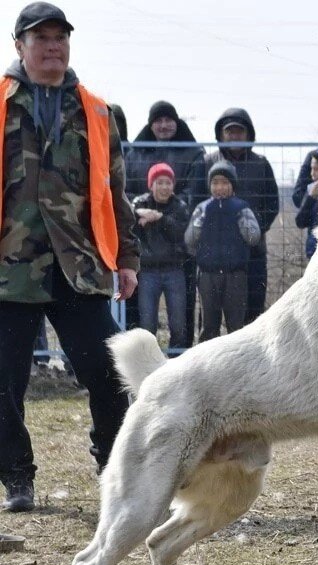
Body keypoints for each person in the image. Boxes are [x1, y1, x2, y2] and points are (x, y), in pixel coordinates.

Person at [0, 2, 139, 511]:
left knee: (109, 372)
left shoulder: (97, 110)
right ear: (20, 47)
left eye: (60, 36)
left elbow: (116, 191)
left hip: (78, 265)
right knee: (3, 382)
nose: (53, 45)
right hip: (8, 268)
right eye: (41, 38)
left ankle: (114, 470)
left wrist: (127, 258)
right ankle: (17, 479)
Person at [126, 100, 207, 348]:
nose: (163, 126)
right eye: (158, 121)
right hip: (144, 249)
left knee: (180, 314)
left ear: (177, 122)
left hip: (178, 246)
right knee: (143, 314)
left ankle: (180, 356)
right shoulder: (136, 152)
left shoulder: (193, 152)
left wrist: (163, 212)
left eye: (168, 120)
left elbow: (194, 194)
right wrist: (143, 211)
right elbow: (126, 192)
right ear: (151, 124)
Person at [205, 108, 279, 324]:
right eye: (229, 131)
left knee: (254, 306)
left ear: (249, 134)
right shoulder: (209, 162)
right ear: (220, 135)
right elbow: (198, 199)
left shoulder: (261, 163)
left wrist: (255, 229)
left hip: (253, 249)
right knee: (212, 311)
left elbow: (272, 202)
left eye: (239, 131)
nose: (234, 136)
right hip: (216, 251)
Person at [185, 160, 260, 341]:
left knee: (236, 325)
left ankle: (237, 365)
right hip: (207, 275)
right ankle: (207, 366)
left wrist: (243, 222)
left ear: (232, 185)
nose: (219, 187)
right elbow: (189, 240)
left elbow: (254, 237)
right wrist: (199, 223)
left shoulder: (241, 208)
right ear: (209, 185)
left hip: (235, 275)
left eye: (225, 183)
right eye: (215, 182)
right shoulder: (202, 208)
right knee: (209, 325)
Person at [131, 162, 189, 352]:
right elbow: (128, 218)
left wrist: (158, 217)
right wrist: (139, 212)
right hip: (148, 271)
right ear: (151, 185)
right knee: (147, 323)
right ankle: (149, 360)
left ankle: (176, 361)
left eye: (168, 183)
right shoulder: (141, 203)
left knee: (178, 322)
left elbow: (180, 232)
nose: (165, 187)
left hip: (174, 270)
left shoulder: (180, 206)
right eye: (160, 182)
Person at [294, 151, 318, 259]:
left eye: (317, 169)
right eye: (312, 169)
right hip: (313, 252)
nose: (312, 173)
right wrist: (310, 198)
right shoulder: (311, 190)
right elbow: (300, 222)